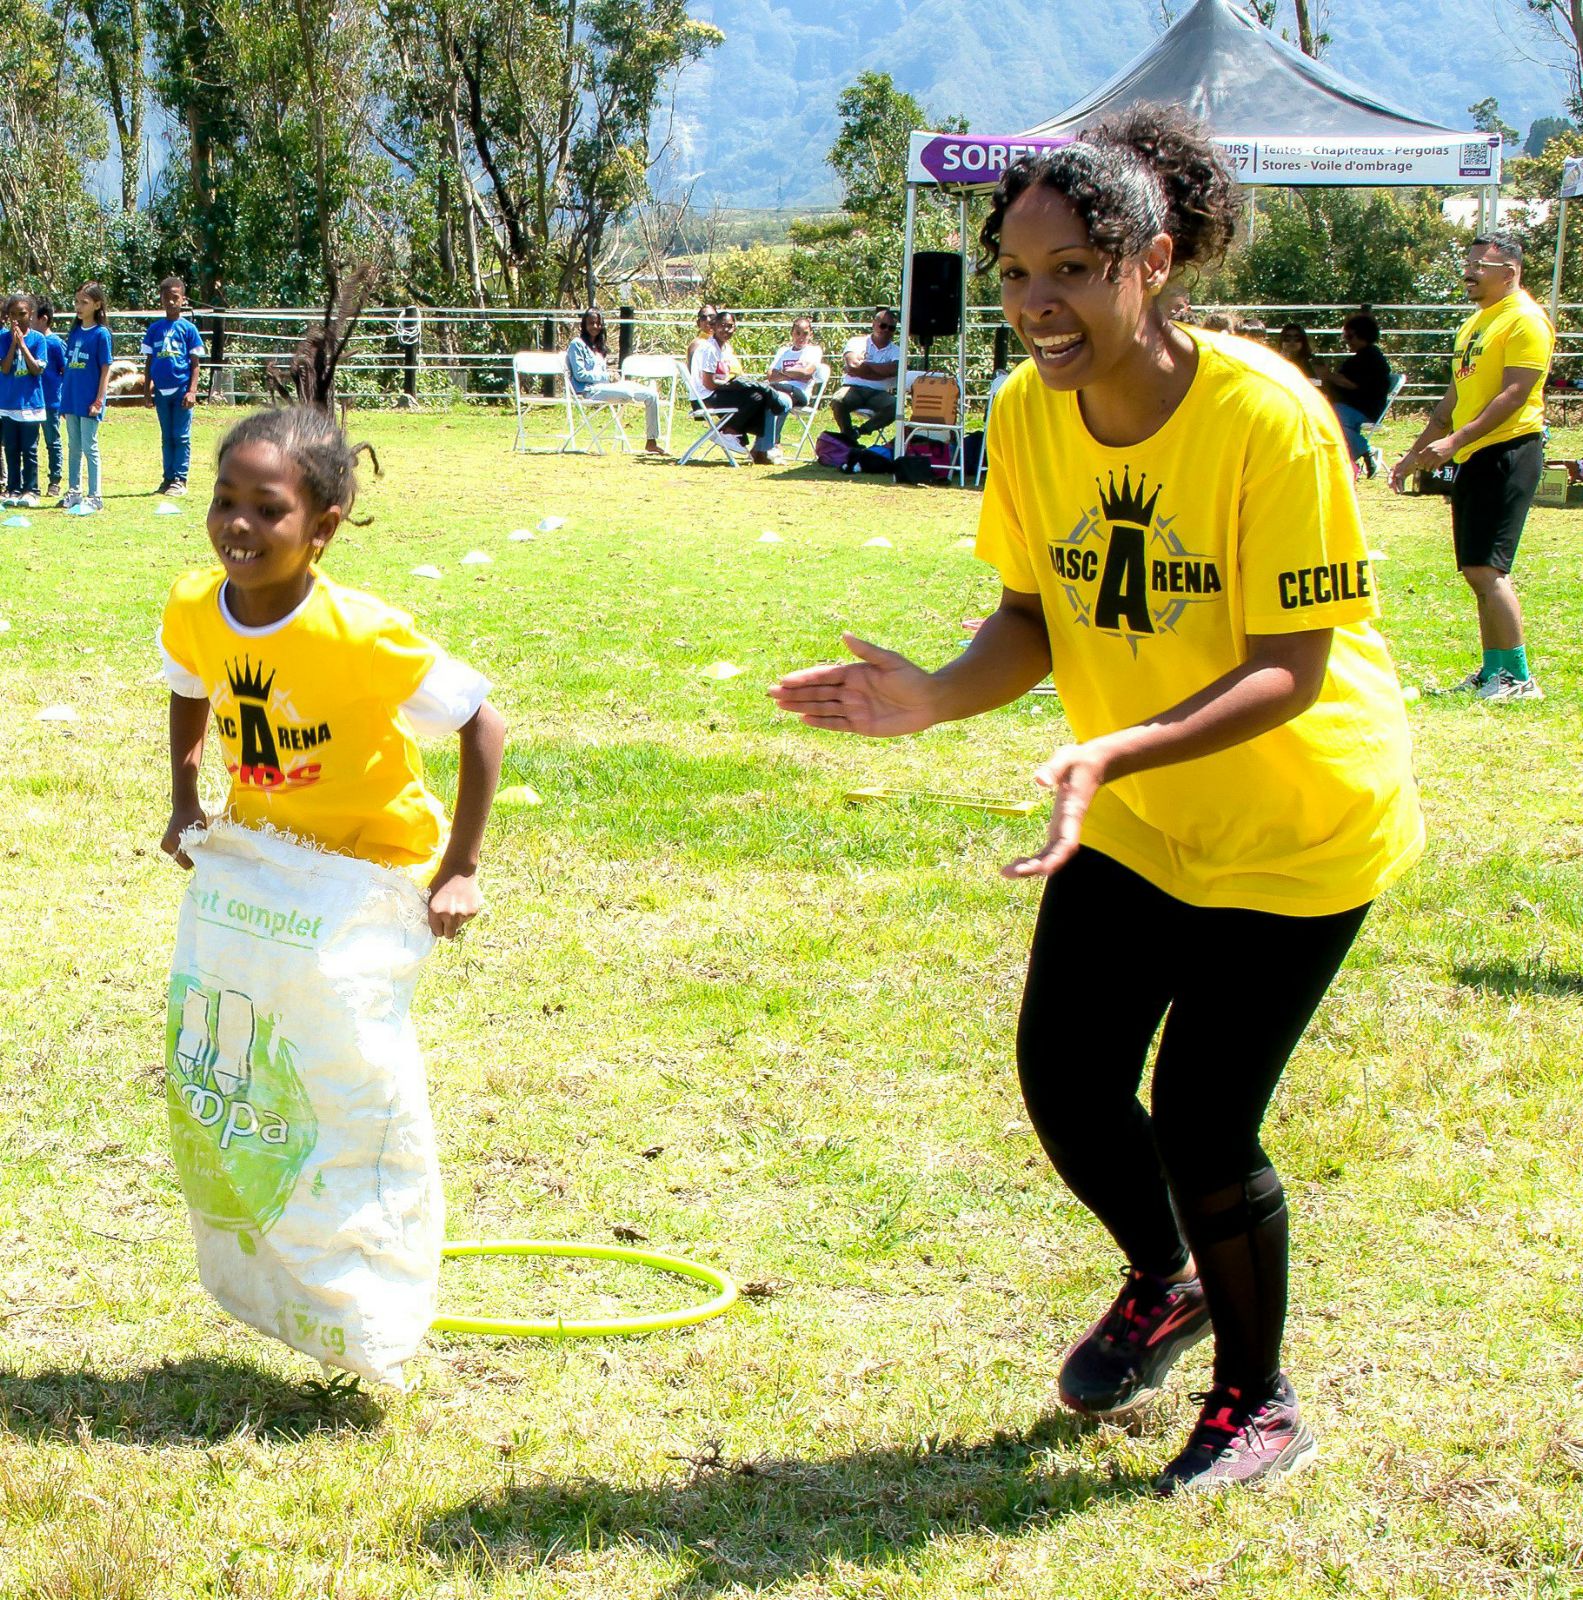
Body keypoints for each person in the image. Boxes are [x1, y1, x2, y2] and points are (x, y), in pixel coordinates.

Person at [770, 107, 1423, 1498]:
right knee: (1064, 1079)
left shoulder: (1265, 417)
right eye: (1013, 273)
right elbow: (1031, 612)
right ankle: (1163, 1280)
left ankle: (1255, 1401)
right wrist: (938, 695)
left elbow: (1289, 670)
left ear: (1154, 263)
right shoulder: (1024, 413)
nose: (1033, 306)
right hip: (1129, 812)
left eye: (1070, 269)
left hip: (1296, 824)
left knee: (1200, 1118)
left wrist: (1108, 753)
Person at [158, 402, 505, 936]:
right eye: (223, 500)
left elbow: (482, 722)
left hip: (371, 866)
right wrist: (185, 801)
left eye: (269, 510)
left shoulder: (363, 634)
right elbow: (189, 685)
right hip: (266, 852)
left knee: (341, 1016)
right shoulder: (193, 607)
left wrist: (459, 868)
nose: (238, 523)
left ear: (322, 527)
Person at [1389, 231, 1553, 703]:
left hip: (1508, 450)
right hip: (1473, 454)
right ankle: (1494, 671)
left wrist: (1455, 441)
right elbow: (1454, 400)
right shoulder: (1476, 324)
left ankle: (1520, 678)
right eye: (1468, 262)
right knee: (1474, 569)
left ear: (1510, 272)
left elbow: (1515, 394)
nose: (1469, 272)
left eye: (1480, 264)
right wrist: (1414, 452)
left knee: (1490, 569)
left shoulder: (1525, 321)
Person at [692, 309, 791, 464]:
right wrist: (733, 385)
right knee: (755, 396)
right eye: (722, 325)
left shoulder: (724, 349)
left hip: (716, 392)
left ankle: (753, 442)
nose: (725, 330)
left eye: (729, 326)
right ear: (715, 326)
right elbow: (709, 384)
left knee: (759, 395)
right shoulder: (709, 349)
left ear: (735, 328)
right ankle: (728, 431)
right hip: (704, 397)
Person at [565, 307, 668, 455]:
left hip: (605, 386)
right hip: (588, 390)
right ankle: (631, 393)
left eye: (598, 323)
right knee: (627, 392)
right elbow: (580, 374)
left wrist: (610, 377)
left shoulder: (598, 347)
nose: (595, 326)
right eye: (591, 323)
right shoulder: (577, 344)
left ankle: (651, 441)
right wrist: (607, 376)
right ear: (584, 325)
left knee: (651, 395)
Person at [141, 276, 206, 496]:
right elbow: (149, 361)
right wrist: (147, 389)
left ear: (183, 300)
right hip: (161, 391)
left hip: (181, 390)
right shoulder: (155, 329)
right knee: (166, 435)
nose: (170, 302)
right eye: (166, 298)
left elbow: (195, 364)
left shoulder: (189, 330)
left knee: (181, 436)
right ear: (161, 300)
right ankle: (167, 478)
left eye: (175, 298)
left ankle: (180, 478)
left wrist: (192, 391)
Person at [1317, 310, 1392, 476]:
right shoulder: (1361, 357)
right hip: (1350, 406)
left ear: (1362, 335)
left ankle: (1366, 450)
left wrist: (1327, 375)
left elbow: (1352, 384)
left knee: (1331, 417)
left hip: (1364, 408)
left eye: (1350, 337)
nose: (1347, 341)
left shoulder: (1371, 359)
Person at [59, 282, 113, 513]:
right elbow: (70, 367)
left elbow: (105, 368)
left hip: (90, 400)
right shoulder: (74, 332)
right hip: (71, 398)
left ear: (97, 305)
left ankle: (96, 495)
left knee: (90, 447)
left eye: (84, 302)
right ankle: (74, 491)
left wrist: (99, 400)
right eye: (76, 302)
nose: (78, 307)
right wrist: (64, 400)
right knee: (73, 446)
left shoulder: (101, 335)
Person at [0, 294, 47, 507]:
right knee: (11, 448)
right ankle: (13, 489)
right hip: (9, 404)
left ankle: (31, 489)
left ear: (31, 315)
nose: (17, 319)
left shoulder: (39, 339)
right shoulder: (2, 338)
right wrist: (12, 344)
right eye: (12, 315)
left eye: (22, 314)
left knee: (29, 449)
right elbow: (6, 367)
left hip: (31, 405)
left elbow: (36, 369)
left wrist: (23, 345)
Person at [829, 308, 901, 443]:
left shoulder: (897, 351)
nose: (886, 330)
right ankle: (847, 435)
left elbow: (893, 370)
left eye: (891, 328)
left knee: (896, 407)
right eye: (883, 325)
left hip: (879, 393)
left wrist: (865, 366)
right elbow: (853, 365)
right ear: (874, 324)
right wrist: (881, 373)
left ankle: (860, 431)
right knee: (838, 400)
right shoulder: (856, 342)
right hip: (853, 389)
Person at [33, 300, 67, 500]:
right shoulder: (33, 340)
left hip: (51, 402)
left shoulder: (54, 343)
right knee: (31, 443)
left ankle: (55, 480)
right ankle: (31, 480)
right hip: (32, 402)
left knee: (52, 441)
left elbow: (65, 371)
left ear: (43, 319)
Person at [766, 316, 824, 406]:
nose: (801, 337)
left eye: (805, 334)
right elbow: (771, 376)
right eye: (797, 333)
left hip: (799, 392)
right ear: (792, 333)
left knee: (780, 400)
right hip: (778, 388)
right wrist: (794, 375)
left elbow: (806, 373)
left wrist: (783, 371)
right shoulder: (783, 351)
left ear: (810, 335)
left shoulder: (814, 351)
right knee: (758, 397)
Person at [685, 304, 717, 374]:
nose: (708, 320)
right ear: (698, 323)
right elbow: (692, 374)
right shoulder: (696, 345)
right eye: (703, 318)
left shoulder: (722, 342)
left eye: (712, 316)